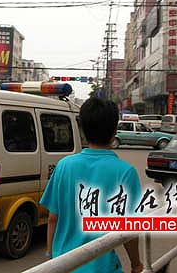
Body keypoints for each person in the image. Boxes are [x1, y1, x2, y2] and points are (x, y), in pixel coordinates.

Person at [40, 97, 143, 273]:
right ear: (114, 130)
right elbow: (129, 232)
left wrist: (51, 257)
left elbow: (52, 218)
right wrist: (136, 264)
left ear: (83, 129)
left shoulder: (64, 165)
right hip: (102, 268)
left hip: (63, 265)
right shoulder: (125, 172)